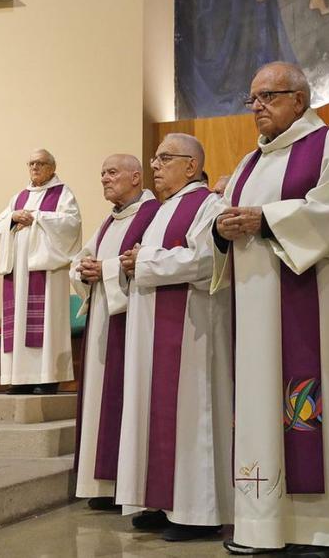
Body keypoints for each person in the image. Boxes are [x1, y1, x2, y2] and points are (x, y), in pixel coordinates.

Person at [213, 61, 329, 557]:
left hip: (316, 309)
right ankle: (261, 525)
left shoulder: (328, 146)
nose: (257, 107)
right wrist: (220, 229)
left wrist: (266, 220)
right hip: (255, 313)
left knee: (317, 410)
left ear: (299, 100)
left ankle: (323, 529)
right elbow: (220, 218)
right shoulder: (249, 163)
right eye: (253, 98)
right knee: (260, 408)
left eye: (269, 96)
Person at [114, 134, 233, 542]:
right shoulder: (162, 210)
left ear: (191, 165)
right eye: (155, 158)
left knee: (190, 413)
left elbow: (206, 262)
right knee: (154, 409)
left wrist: (143, 260)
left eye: (164, 158)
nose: (155, 166)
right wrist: (130, 263)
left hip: (192, 330)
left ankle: (198, 512)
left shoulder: (210, 206)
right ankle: (163, 502)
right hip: (151, 329)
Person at [71, 154, 160, 511]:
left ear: (136, 177)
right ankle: (102, 485)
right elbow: (82, 258)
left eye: (112, 172)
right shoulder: (110, 220)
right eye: (102, 173)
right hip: (103, 321)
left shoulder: (152, 215)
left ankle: (123, 485)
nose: (105, 179)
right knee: (100, 399)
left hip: (133, 320)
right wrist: (82, 270)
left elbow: (148, 260)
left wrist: (104, 269)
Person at [0, 149, 81, 394]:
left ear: (52, 167)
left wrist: (37, 217)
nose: (35, 167)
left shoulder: (63, 193)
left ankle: (47, 378)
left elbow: (71, 224)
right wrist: (13, 217)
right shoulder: (19, 197)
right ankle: (20, 378)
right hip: (18, 271)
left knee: (47, 321)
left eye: (40, 163)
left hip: (45, 271)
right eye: (31, 163)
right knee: (19, 322)